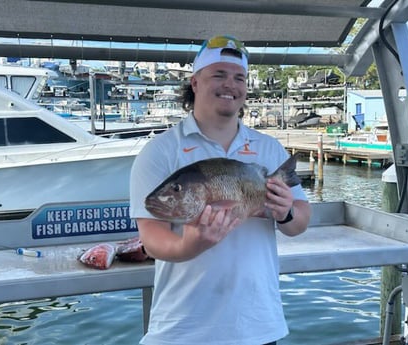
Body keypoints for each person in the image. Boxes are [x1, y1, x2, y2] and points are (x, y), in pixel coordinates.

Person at [130, 35, 311, 345]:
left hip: (257, 326)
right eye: (219, 74)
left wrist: (286, 213)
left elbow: (301, 220)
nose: (231, 84)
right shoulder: (159, 152)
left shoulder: (268, 149)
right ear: (196, 82)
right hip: (183, 330)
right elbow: (152, 237)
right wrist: (193, 245)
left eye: (239, 77)